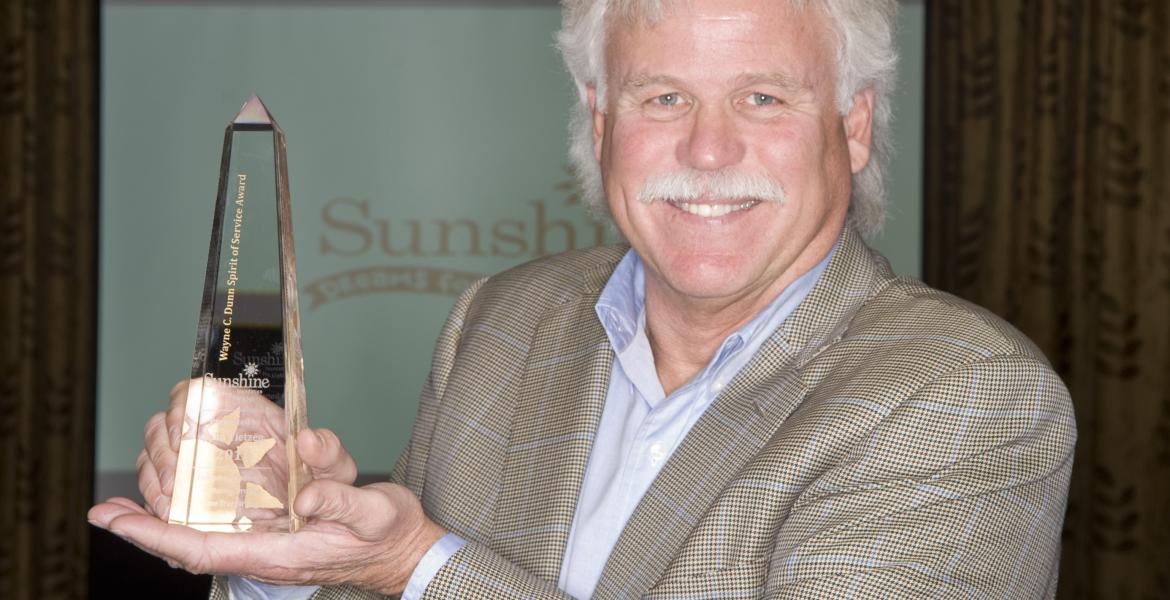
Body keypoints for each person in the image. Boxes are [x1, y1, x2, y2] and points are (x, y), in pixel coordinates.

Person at [90, 0, 1077, 597]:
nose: (707, 149)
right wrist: (282, 553)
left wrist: (418, 566)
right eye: (663, 97)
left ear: (853, 128)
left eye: (764, 98)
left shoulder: (968, 397)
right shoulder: (502, 322)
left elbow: (421, 581)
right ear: (600, 122)